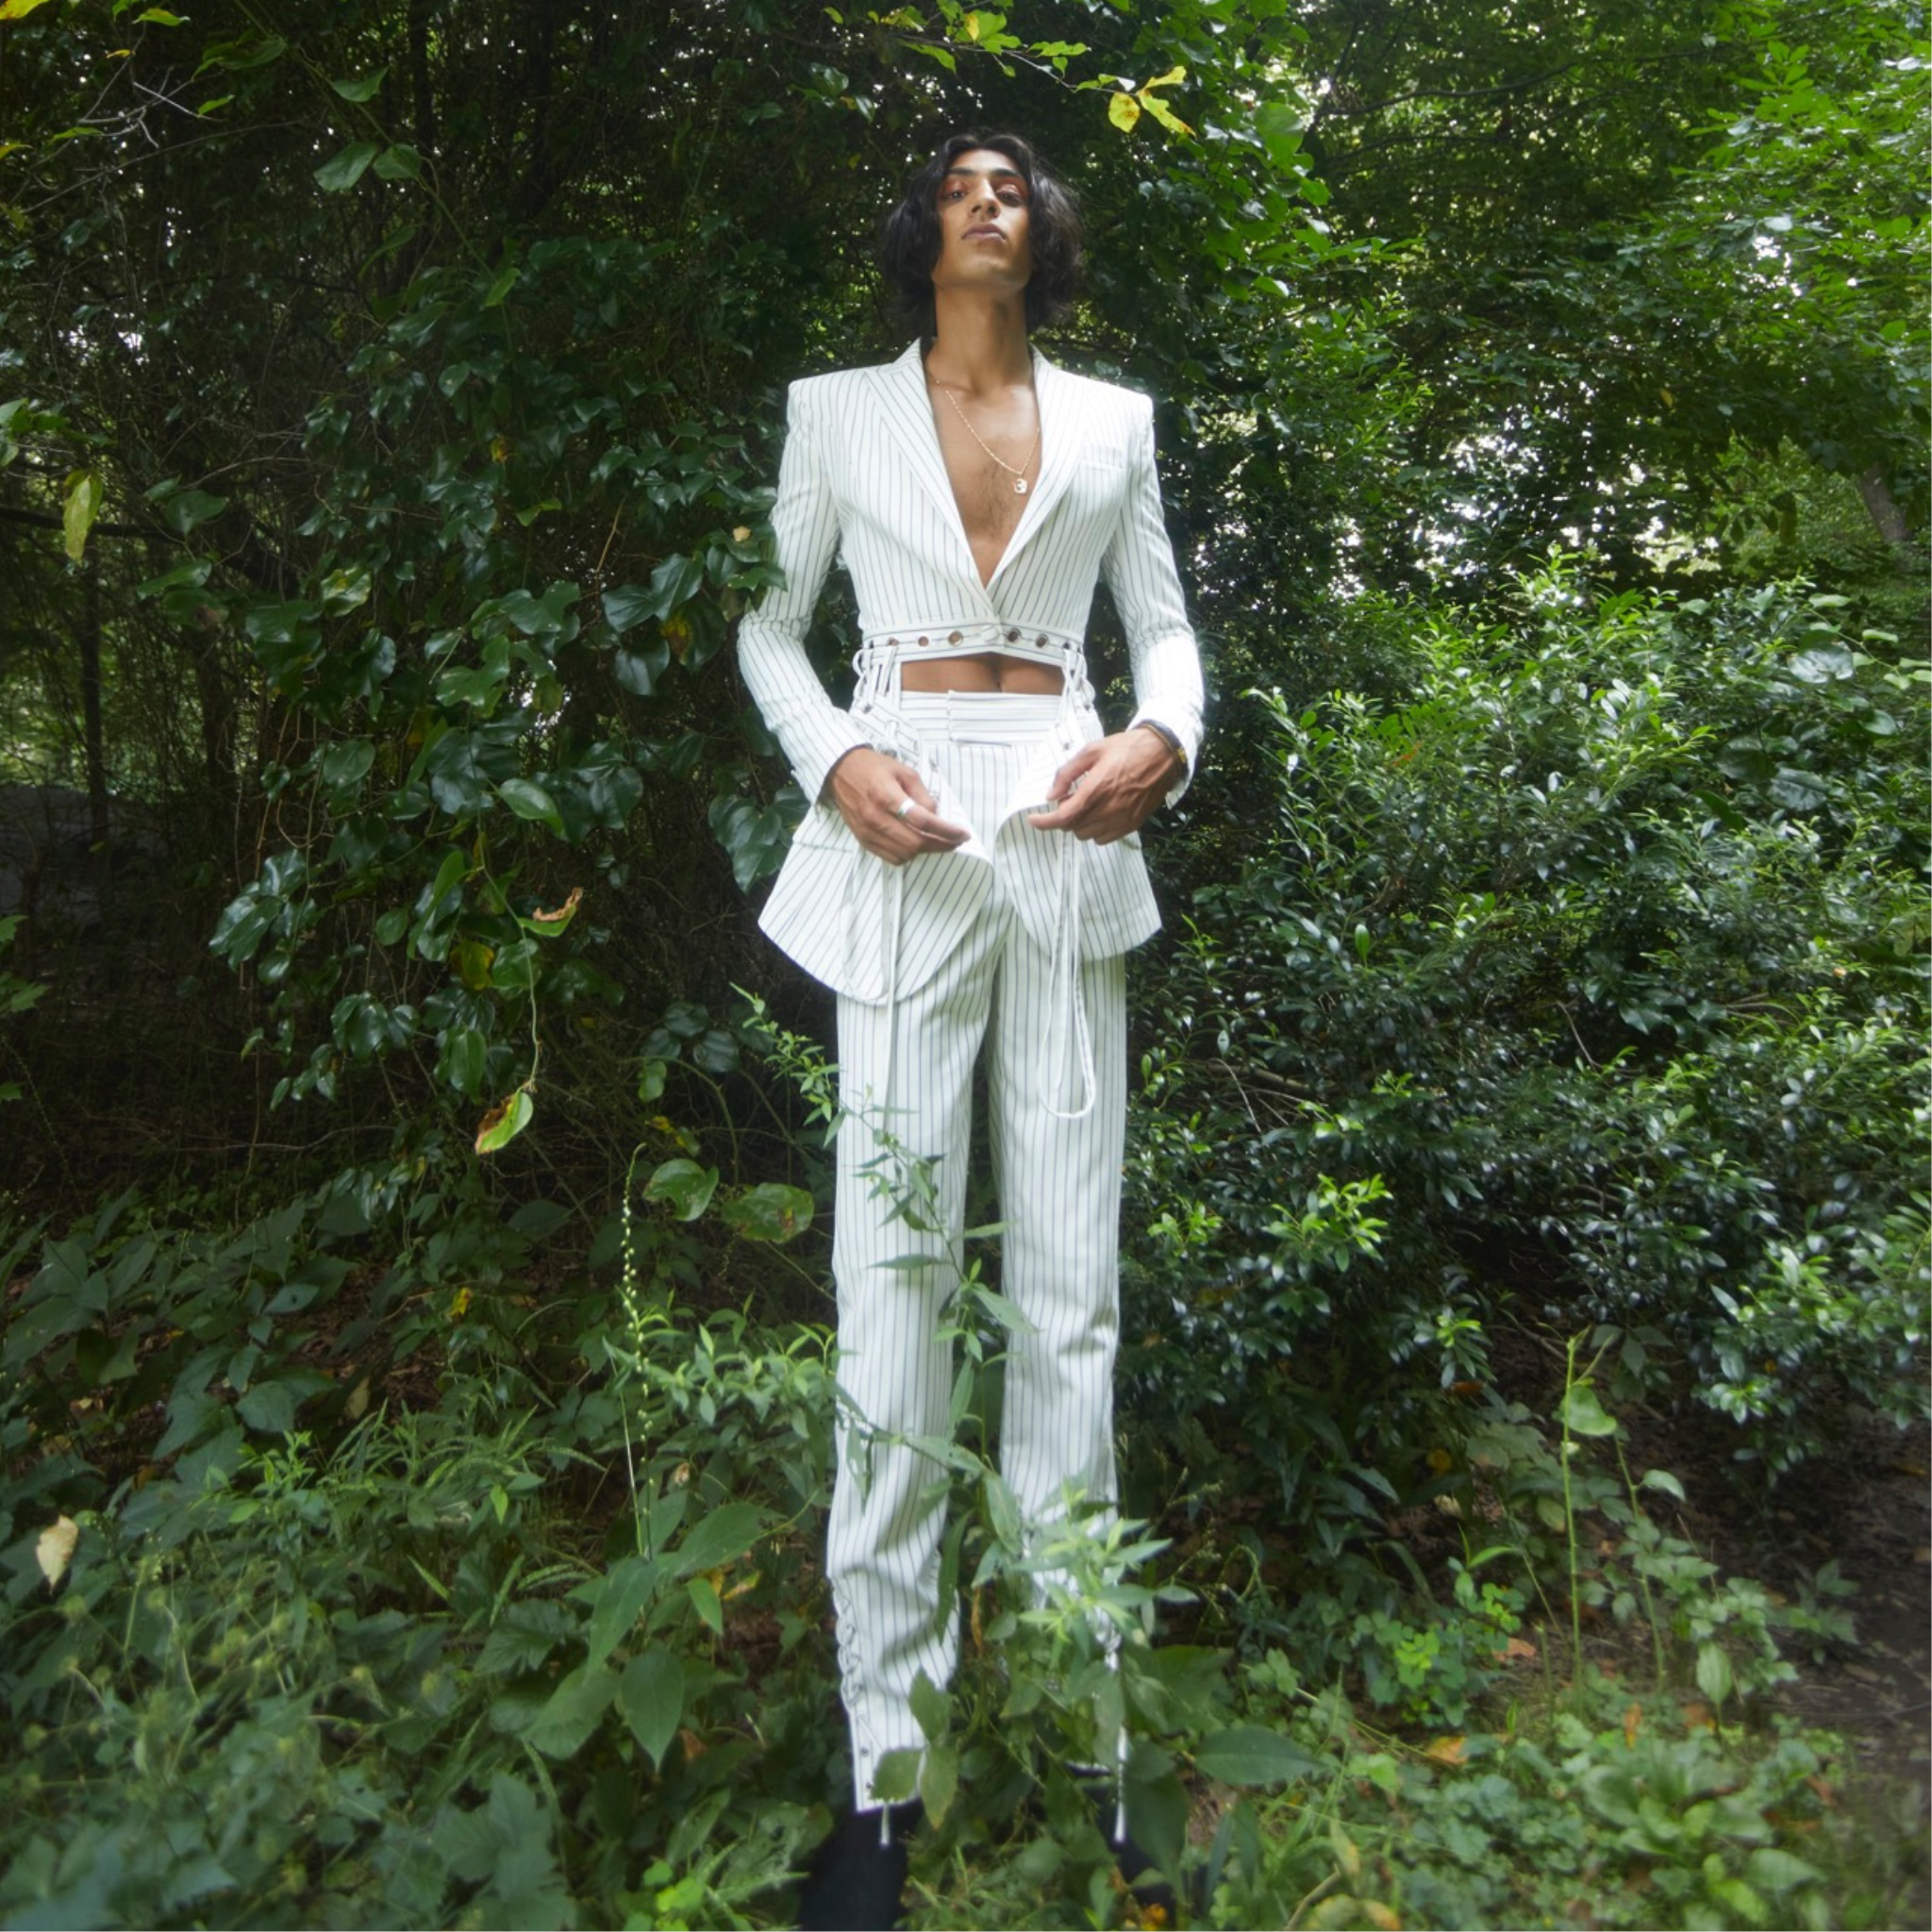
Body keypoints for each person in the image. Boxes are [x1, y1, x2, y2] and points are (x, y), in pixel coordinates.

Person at [737, 130, 1204, 1929]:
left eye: (1015, 185)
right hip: (909, 839)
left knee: (1071, 1297)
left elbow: (1163, 638)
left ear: (1045, 232)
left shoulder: (1116, 423)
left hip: (1069, 842)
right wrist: (838, 755)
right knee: (892, 1283)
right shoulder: (833, 414)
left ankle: (1094, 1742)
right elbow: (775, 629)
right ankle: (886, 1775)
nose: (988, 199)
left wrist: (1162, 742)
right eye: (959, 184)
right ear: (925, 230)